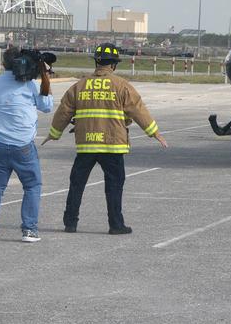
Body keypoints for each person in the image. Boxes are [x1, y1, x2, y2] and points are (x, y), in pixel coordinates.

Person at [44, 42, 167, 235]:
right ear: (114, 65)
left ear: (97, 63)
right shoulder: (122, 86)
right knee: (114, 186)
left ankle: (70, 223)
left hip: (86, 145)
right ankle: (116, 225)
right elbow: (138, 110)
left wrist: (54, 133)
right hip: (112, 145)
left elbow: (64, 112)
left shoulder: (79, 86)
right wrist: (154, 133)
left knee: (77, 184)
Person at [0, 47, 55, 244]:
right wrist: (45, 78)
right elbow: (47, 107)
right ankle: (29, 230)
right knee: (32, 186)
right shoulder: (30, 86)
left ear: (5, 64)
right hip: (24, 146)